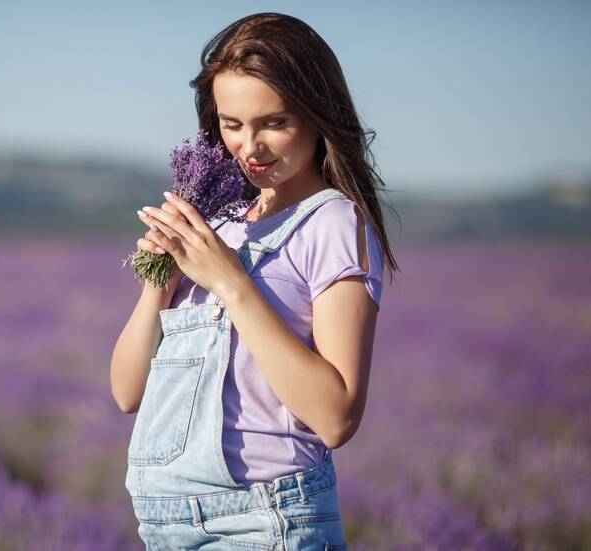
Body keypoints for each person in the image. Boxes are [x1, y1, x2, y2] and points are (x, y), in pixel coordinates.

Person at [110, 12, 399, 550]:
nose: (250, 148)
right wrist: (160, 281)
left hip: (264, 522)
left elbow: (336, 417)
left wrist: (231, 283)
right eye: (231, 124)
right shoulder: (218, 221)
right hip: (163, 523)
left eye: (275, 122)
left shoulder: (332, 222)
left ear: (319, 115)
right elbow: (128, 393)